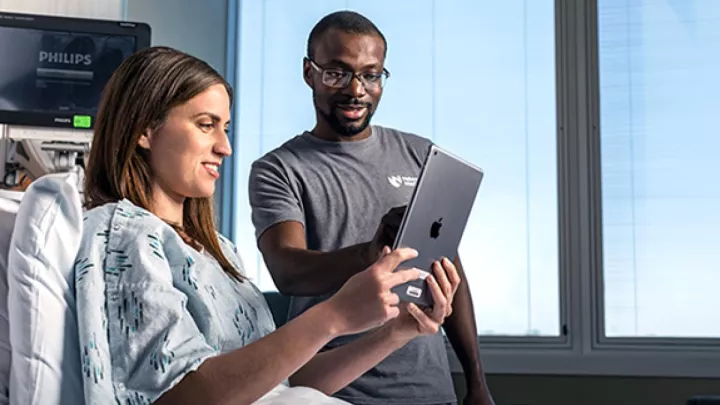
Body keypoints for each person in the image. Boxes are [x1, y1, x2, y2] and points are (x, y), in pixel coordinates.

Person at [76, 46, 461, 405]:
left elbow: (281, 384)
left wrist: (397, 332)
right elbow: (180, 396)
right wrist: (335, 316)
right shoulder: (126, 235)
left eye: (225, 128)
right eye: (206, 124)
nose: (225, 146)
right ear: (144, 130)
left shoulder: (220, 252)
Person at [249, 10, 495, 405]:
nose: (356, 89)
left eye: (370, 74)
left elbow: (448, 267)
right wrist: (368, 254)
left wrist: (477, 382)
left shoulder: (419, 154)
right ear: (309, 73)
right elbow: (288, 271)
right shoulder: (279, 169)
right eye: (336, 73)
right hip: (333, 391)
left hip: (430, 392)